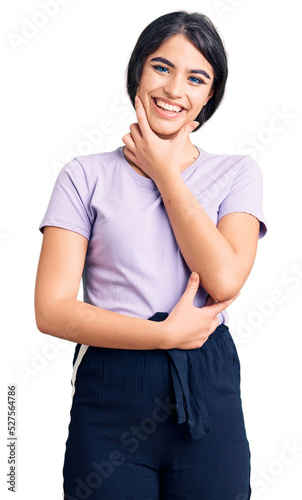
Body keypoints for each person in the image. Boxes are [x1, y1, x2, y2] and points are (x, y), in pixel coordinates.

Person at [34, 10, 267, 500]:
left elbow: (224, 278)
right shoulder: (83, 176)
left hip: (207, 386)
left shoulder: (239, 173)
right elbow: (51, 310)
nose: (174, 89)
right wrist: (163, 334)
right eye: (162, 68)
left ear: (209, 96)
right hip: (111, 391)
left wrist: (165, 173)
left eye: (196, 78)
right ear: (138, 71)